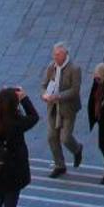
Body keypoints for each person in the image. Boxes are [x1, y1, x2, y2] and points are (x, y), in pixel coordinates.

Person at [38, 43, 83, 178]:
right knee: (52, 137)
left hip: (67, 108)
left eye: (58, 55)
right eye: (54, 54)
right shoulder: (51, 67)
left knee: (65, 138)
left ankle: (77, 149)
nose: (55, 57)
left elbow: (75, 91)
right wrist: (44, 95)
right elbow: (43, 85)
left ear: (65, 55)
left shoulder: (74, 69)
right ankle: (59, 165)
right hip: (53, 108)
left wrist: (58, 96)